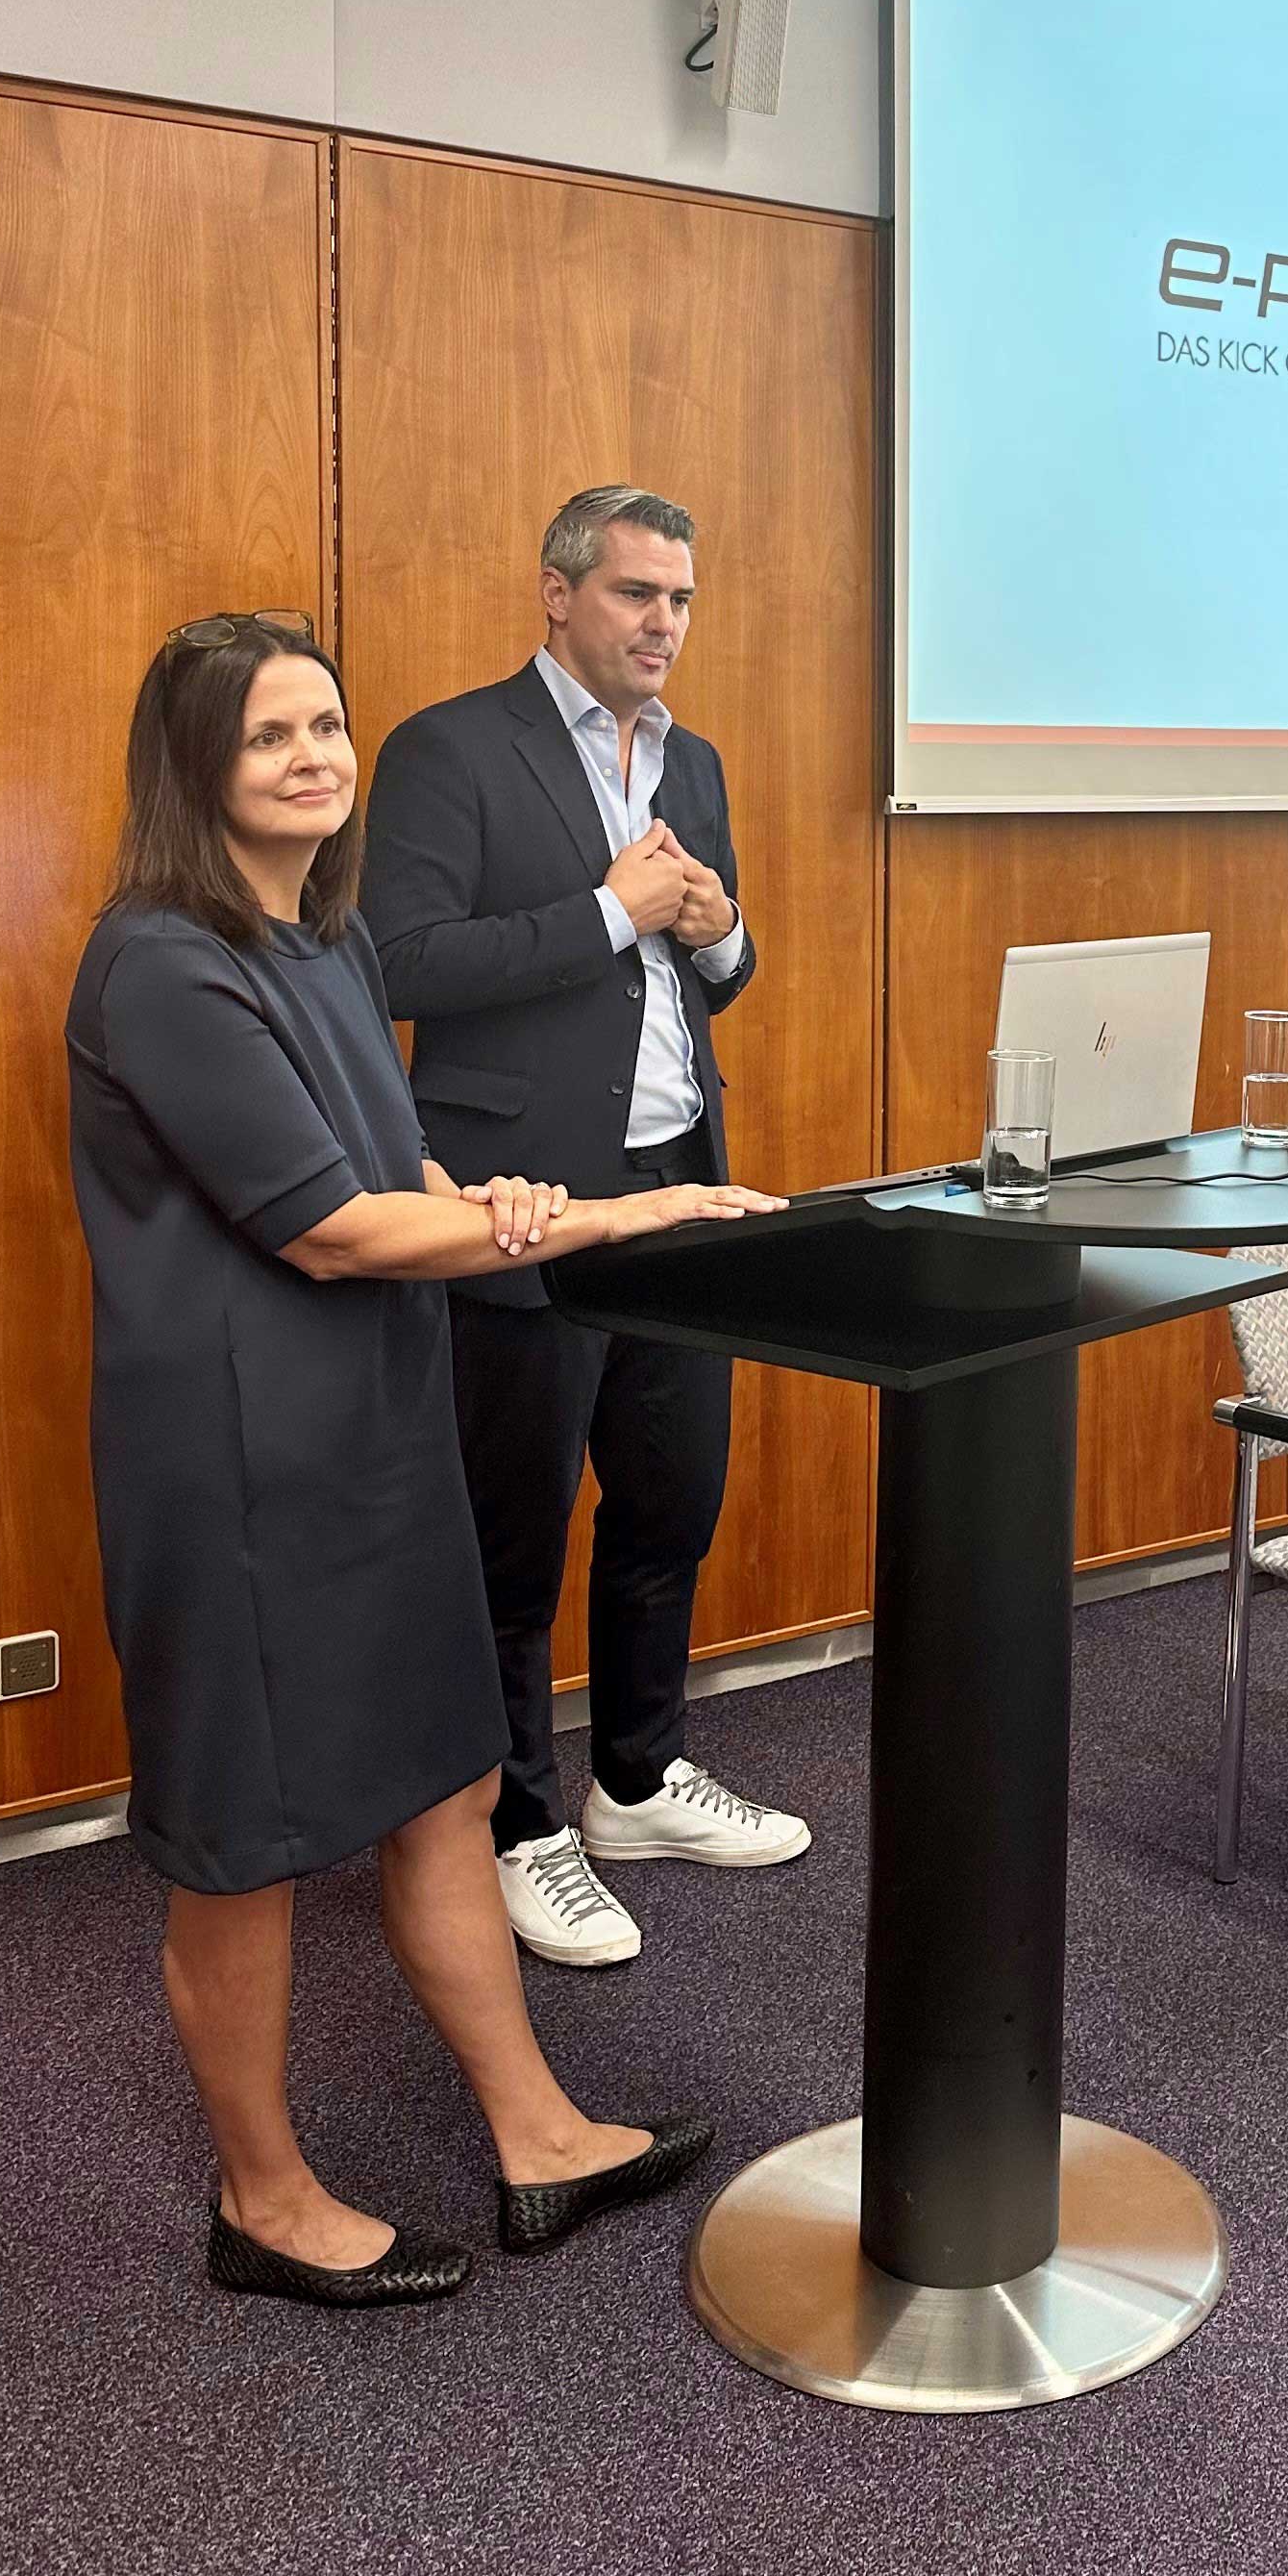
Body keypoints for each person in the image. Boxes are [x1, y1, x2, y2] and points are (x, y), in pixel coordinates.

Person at [65, 610, 781, 2307]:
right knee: (245, 1846)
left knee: (449, 1784)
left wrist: (489, 1199)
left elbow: (387, 1176)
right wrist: (615, 1213)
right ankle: (262, 2201)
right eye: (268, 736)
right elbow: (323, 1227)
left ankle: (538, 2132)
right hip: (243, 1464)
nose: (313, 758)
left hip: (378, 1427)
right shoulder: (162, 962)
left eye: (325, 725)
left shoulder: (326, 939)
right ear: (194, 765)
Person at [361, 488, 807, 1970]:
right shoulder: (449, 750)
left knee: (671, 1502)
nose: (663, 623)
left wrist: (718, 935)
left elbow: (712, 972)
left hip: (678, 1185)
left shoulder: (698, 762)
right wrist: (614, 911)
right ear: (557, 594)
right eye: (634, 593)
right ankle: (517, 1826)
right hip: (519, 1204)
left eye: (680, 598)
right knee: (514, 1539)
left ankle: (637, 1777)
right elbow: (402, 964)